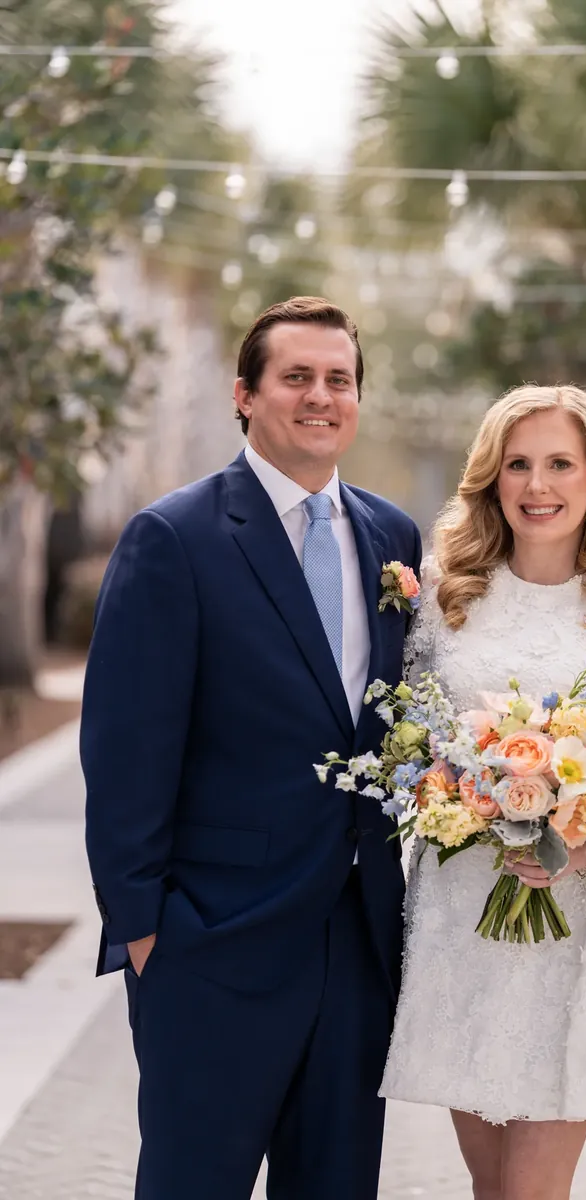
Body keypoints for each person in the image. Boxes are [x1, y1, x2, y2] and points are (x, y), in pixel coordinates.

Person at [82, 296, 422, 1200]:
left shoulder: (395, 539)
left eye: (339, 379)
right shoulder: (174, 538)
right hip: (211, 946)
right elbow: (123, 756)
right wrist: (149, 934)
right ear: (246, 394)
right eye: (297, 377)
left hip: (355, 946)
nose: (321, 396)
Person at [380, 385, 586, 1200]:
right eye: (518, 464)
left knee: (533, 1192)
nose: (538, 485)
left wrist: (579, 840)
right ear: (491, 480)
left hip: (580, 912)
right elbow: (414, 742)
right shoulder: (446, 594)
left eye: (560, 463)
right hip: (461, 914)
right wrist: (465, 799)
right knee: (491, 1187)